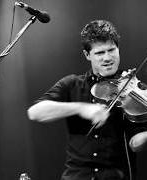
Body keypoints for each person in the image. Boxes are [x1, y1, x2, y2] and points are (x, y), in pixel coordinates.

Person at [27, 20, 147, 180]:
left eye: (112, 50)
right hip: (77, 176)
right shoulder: (72, 83)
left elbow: (135, 144)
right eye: (99, 53)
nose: (107, 58)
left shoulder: (134, 90)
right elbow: (35, 112)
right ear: (87, 55)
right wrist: (80, 108)